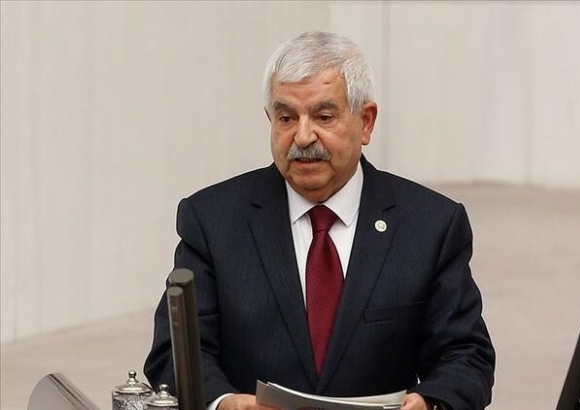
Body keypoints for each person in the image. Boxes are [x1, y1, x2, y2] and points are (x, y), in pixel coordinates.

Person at [144, 31, 495, 410]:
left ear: (366, 122)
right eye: (286, 118)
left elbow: (465, 355)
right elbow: (177, 352)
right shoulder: (213, 220)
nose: (303, 136)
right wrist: (224, 402)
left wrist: (429, 403)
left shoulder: (430, 225)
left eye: (324, 117)